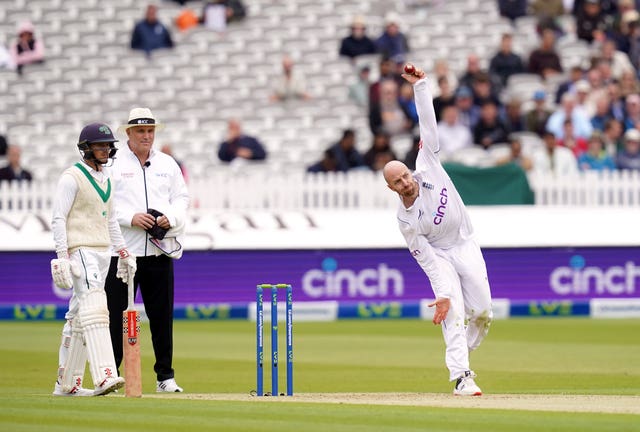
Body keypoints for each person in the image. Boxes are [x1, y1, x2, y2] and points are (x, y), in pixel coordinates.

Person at [382, 64, 492, 396]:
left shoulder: (427, 164)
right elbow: (427, 260)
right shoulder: (406, 221)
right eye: (398, 182)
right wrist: (442, 294)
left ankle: (460, 354)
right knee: (453, 311)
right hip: (440, 255)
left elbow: (427, 125)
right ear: (392, 189)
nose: (405, 182)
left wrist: (421, 85)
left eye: (404, 175)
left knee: (484, 314)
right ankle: (462, 376)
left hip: (465, 242)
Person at [105, 107, 190, 393]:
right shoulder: (113, 165)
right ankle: (111, 375)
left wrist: (171, 218)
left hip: (159, 252)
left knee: (162, 317)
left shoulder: (167, 163)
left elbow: (181, 198)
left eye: (150, 130)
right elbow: (103, 205)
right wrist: (131, 218)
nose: (146, 136)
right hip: (122, 255)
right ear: (128, 133)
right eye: (140, 131)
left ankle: (165, 377)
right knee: (115, 317)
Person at [50, 123, 136, 396]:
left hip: (103, 251)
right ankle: (105, 375)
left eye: (108, 145)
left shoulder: (106, 179)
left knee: (77, 318)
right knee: (96, 308)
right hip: (81, 249)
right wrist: (62, 255)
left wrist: (123, 250)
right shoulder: (71, 177)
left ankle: (67, 385)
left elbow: (111, 221)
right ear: (86, 147)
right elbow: (58, 218)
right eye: (100, 145)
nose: (105, 149)